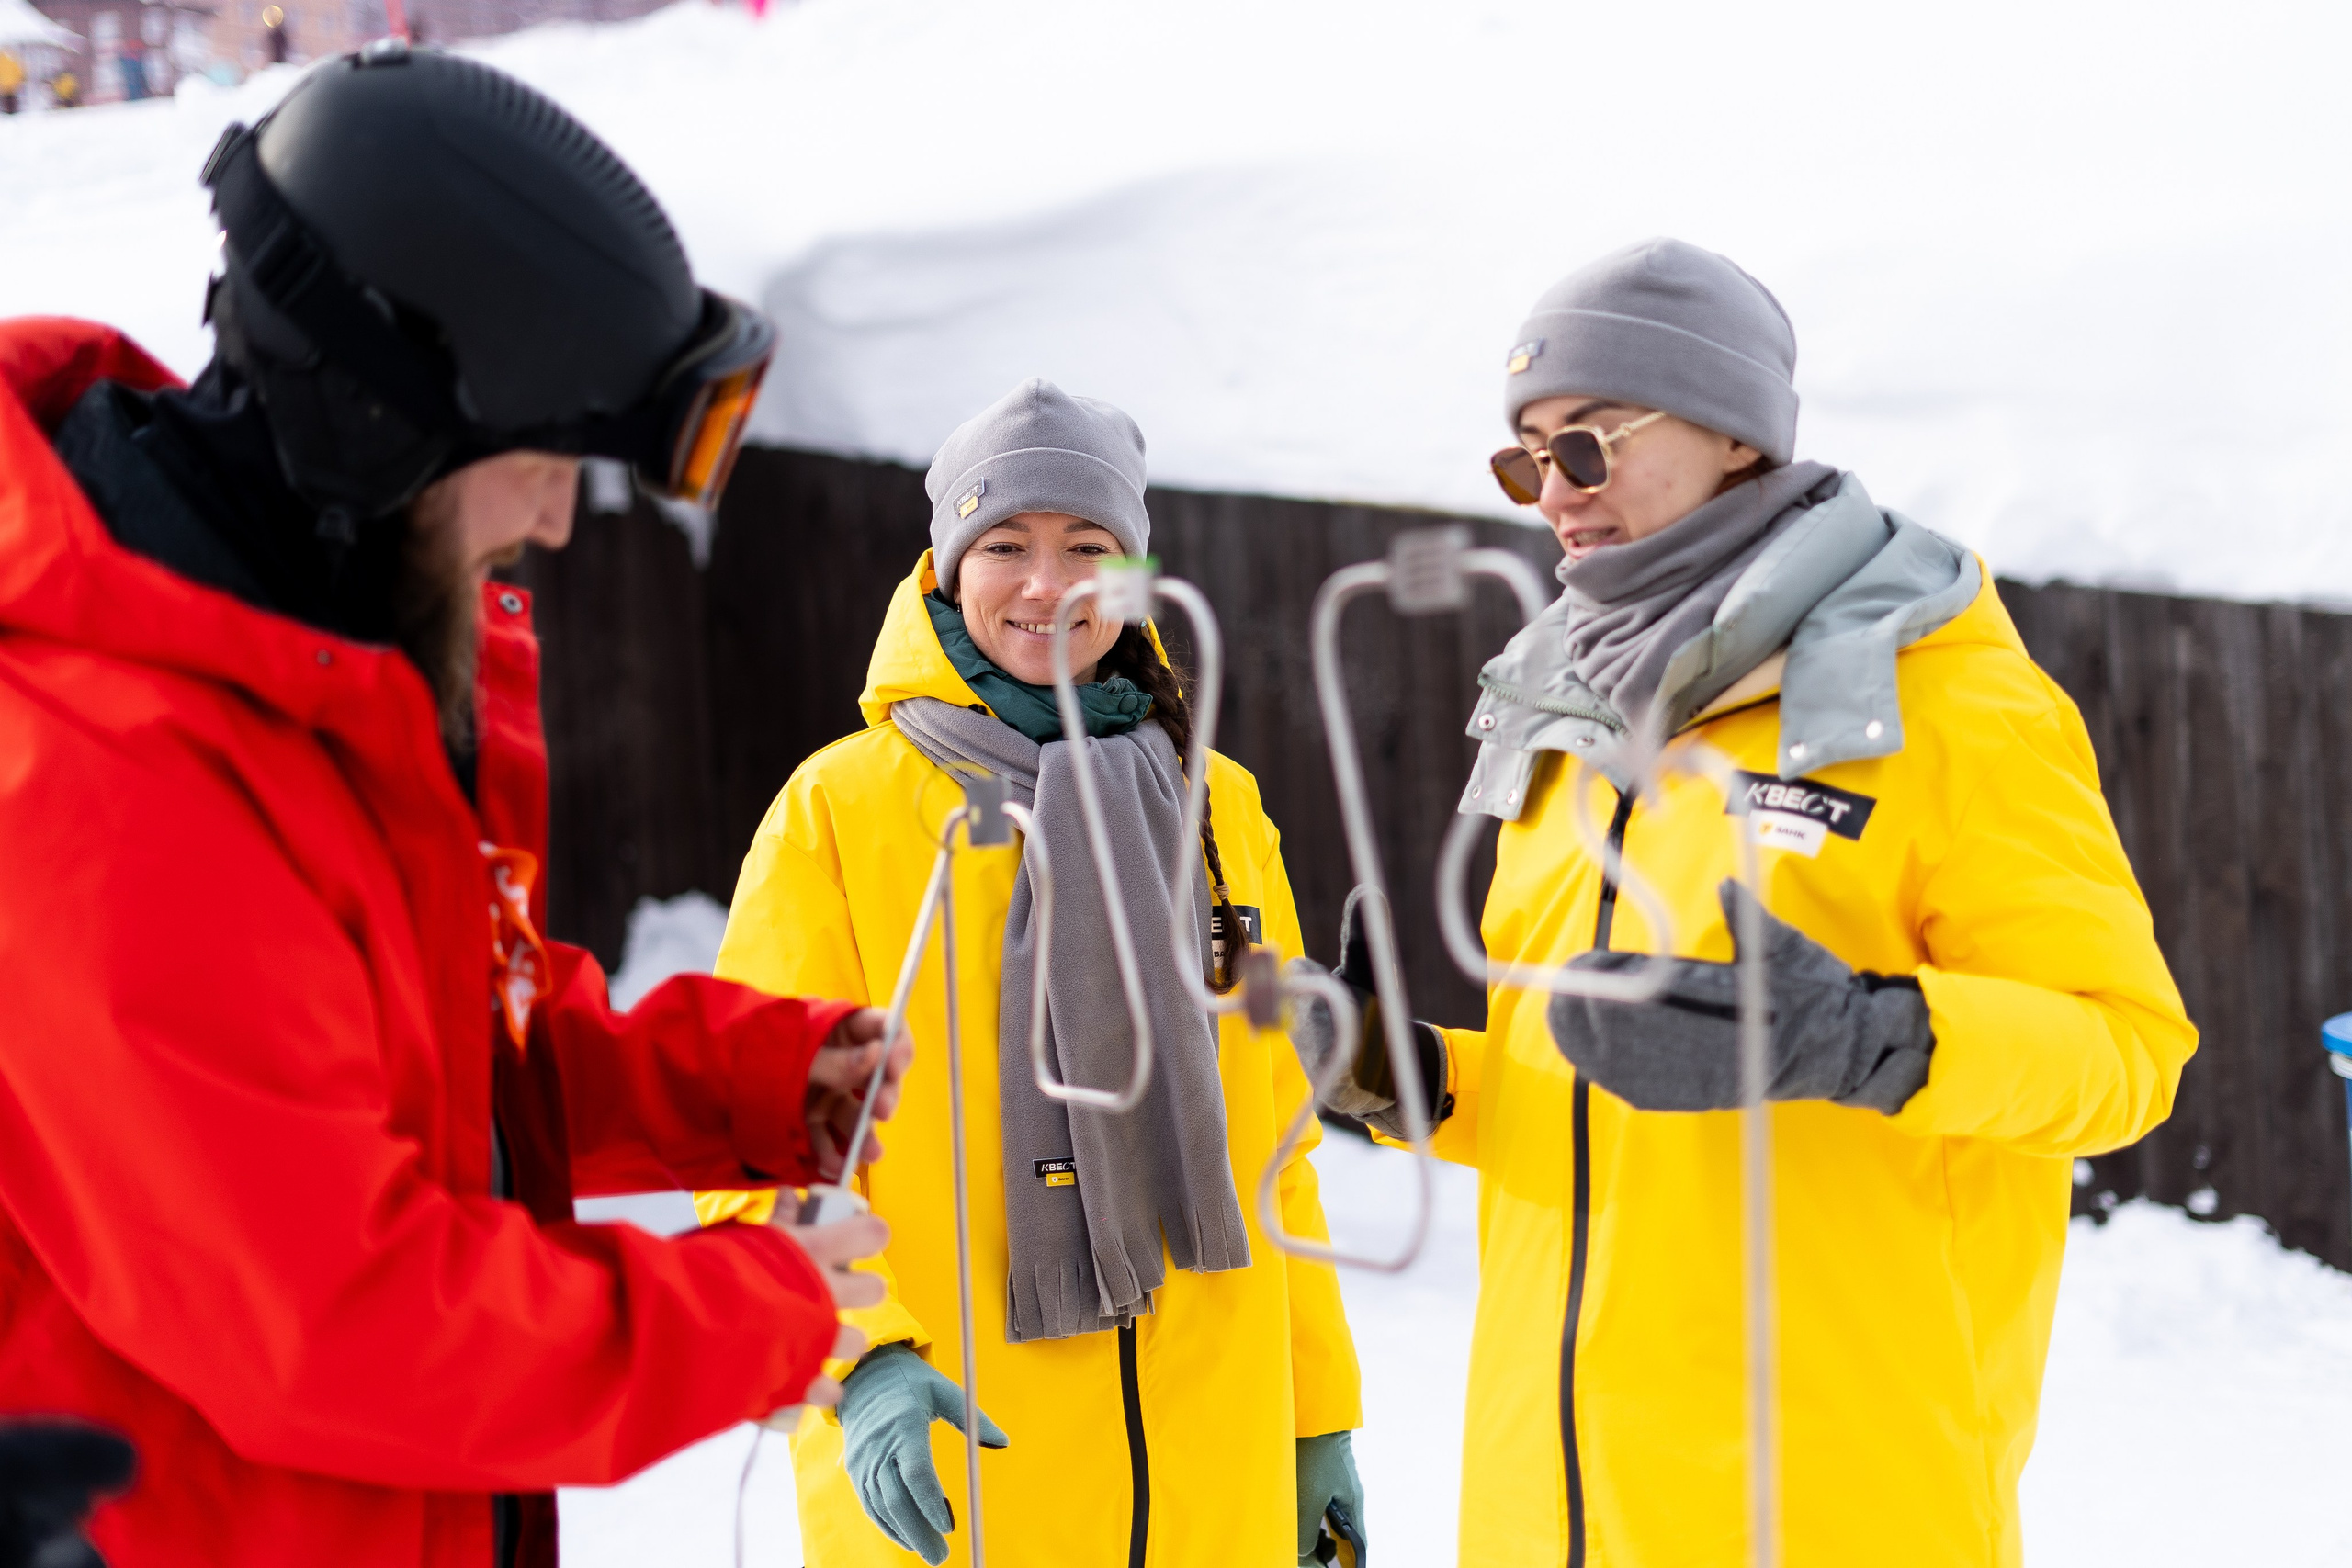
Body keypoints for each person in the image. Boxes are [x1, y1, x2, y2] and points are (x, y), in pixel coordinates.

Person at [0, 44, 902, 1568]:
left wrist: (755, 1089)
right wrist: (748, 1315)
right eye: (541, 458)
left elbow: (445, 1055)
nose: (560, 515)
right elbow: (335, 1318)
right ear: (374, 426)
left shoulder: (309, 661)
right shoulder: (103, 777)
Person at [1302, 238, 2195, 1564]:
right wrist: (1421, 1082)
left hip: (1829, 1500)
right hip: (1551, 1504)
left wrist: (1867, 1037)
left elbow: (2126, 1055)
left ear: (1731, 435)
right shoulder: (1564, 712)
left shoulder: (1954, 706)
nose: (1552, 494)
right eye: (1525, 457)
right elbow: (1614, 1094)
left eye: (1587, 448)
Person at [696, 379, 1366, 1568]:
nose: (1048, 585)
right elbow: (749, 1136)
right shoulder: (839, 813)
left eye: (1087, 547)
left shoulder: (1221, 810)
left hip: (1214, 1456)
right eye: (1005, 544)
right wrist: (865, 1360)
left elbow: (1277, 1140)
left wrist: (1318, 1414)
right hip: (956, 1461)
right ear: (947, 566)